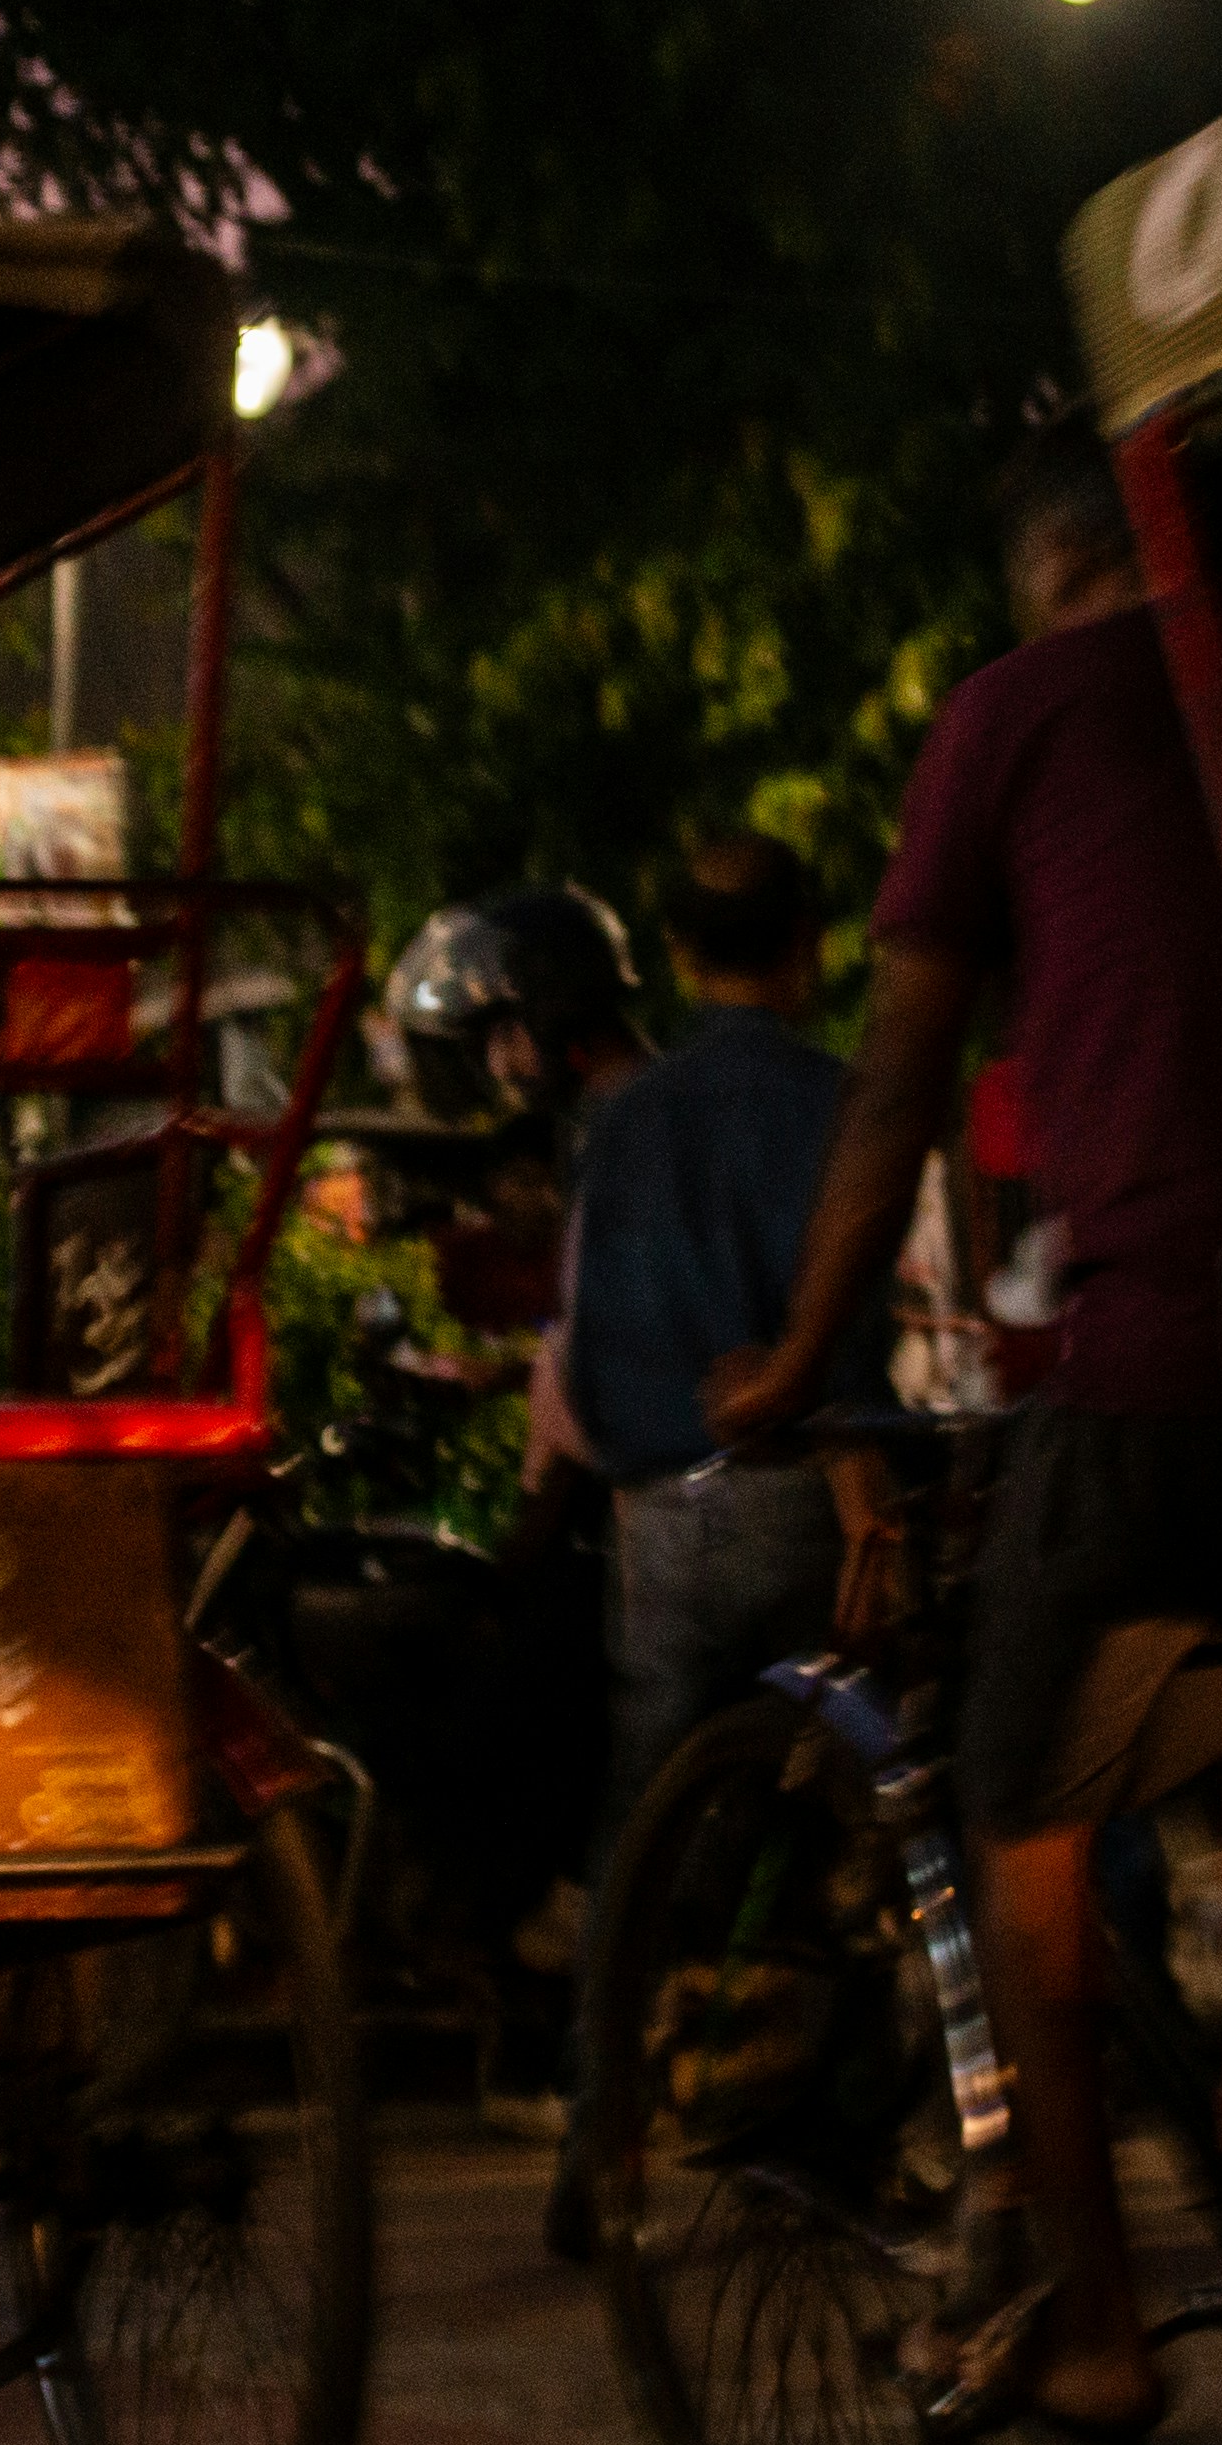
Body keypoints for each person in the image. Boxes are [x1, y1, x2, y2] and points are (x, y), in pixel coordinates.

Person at [707, 439, 1222, 2445]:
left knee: (1015, 1812)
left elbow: (896, 1089)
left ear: (1054, 574)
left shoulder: (1014, 714)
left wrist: (789, 1361)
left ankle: (1095, 2316)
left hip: (1146, 1359)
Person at [540, 829, 864, 2250]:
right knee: (828, 1825)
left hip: (664, 1514)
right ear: (809, 945)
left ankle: (600, 2138)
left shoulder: (627, 1121)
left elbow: (594, 1334)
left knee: (646, 1836)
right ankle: (806, 2121)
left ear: (675, 955)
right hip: (811, 1496)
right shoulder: (840, 1104)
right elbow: (855, 1323)